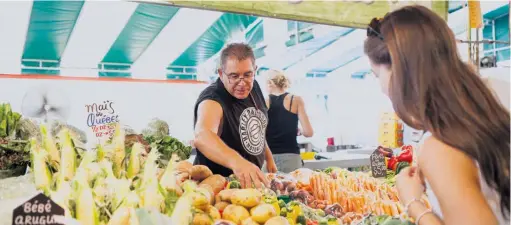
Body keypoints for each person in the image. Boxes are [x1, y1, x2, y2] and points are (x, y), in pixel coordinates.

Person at [364, 5, 510, 225]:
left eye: (377, 75)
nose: (382, 88)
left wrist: (413, 203)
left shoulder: (441, 147)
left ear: (399, 72)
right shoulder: (497, 91)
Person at [193, 43, 277, 188]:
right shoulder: (213, 98)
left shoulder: (254, 87)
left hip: (249, 184)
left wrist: (269, 158)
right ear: (221, 73)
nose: (242, 82)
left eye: (247, 74)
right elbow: (202, 135)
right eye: (234, 76)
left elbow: (257, 128)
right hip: (217, 188)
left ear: (254, 70)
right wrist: (237, 162)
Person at [264, 70, 313, 173]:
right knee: (294, 189)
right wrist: (299, 131)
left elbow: (259, 135)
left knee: (267, 189)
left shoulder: (263, 102)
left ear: (270, 83)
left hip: (268, 159)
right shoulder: (296, 100)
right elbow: (309, 132)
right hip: (291, 158)